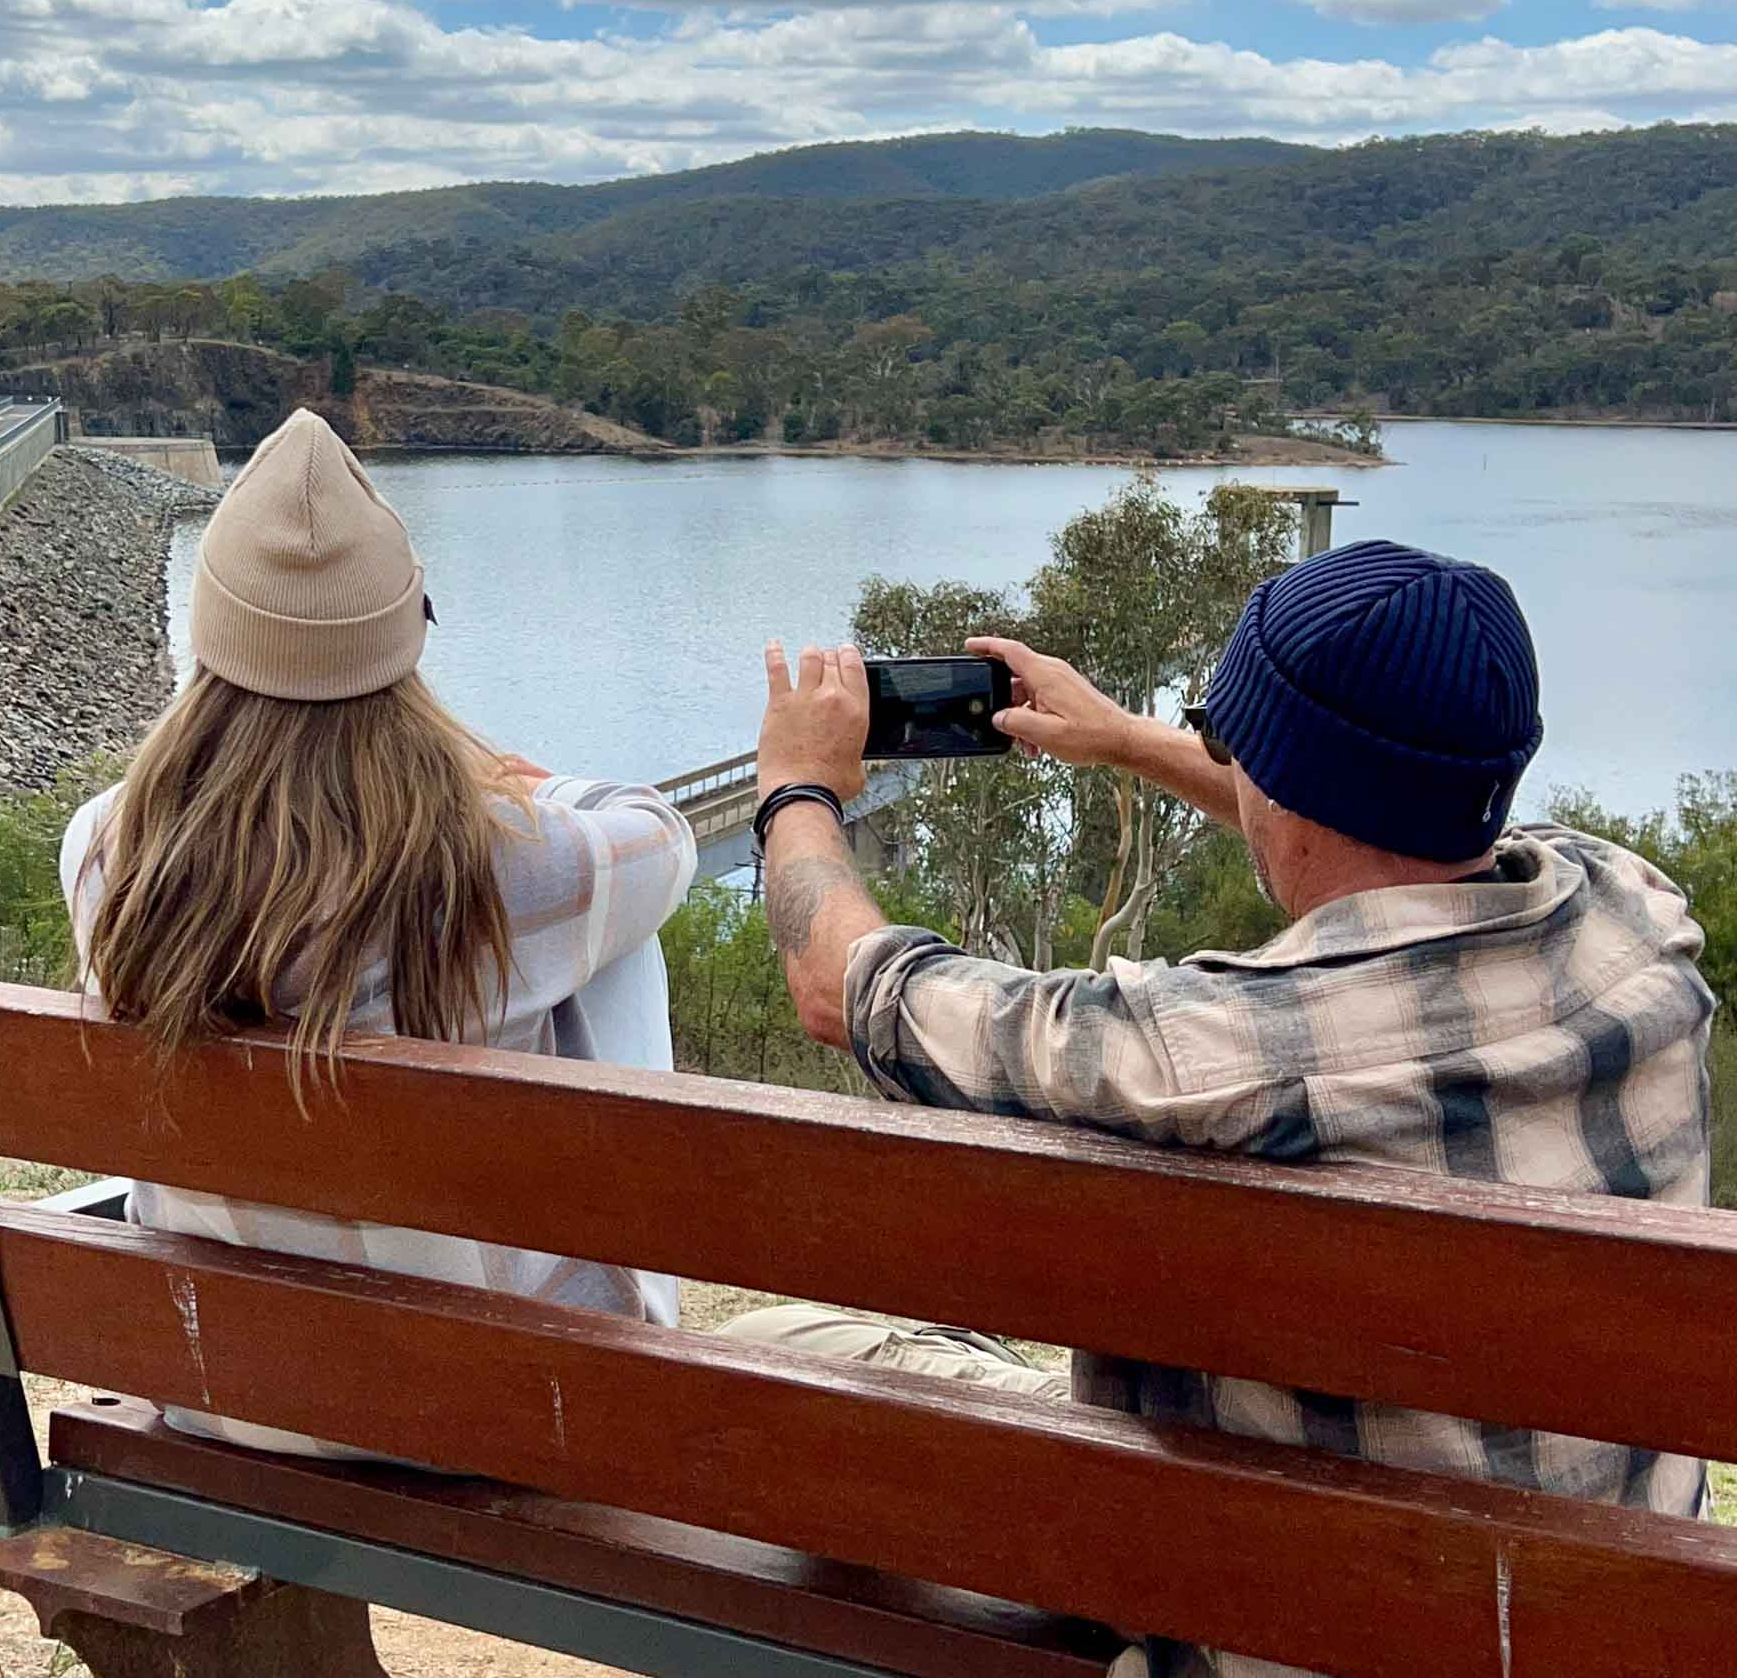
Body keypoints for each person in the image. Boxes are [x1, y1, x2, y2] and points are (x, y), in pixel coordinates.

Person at [730, 540, 1715, 1678]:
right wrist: (1127, 739)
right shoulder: (1635, 914)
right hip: (1602, 1615)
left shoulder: (1193, 1055)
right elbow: (1372, 834)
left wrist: (795, 791)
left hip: (1264, 1613)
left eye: (1225, 736)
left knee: (760, 1359)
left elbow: (845, 988)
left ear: (1277, 773)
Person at [60, 409, 697, 1458]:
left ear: (209, 639)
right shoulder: (513, 866)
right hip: (504, 1413)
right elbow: (663, 836)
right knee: (620, 942)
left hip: (222, 1388)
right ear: (407, 637)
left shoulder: (105, 848)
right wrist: (521, 784)